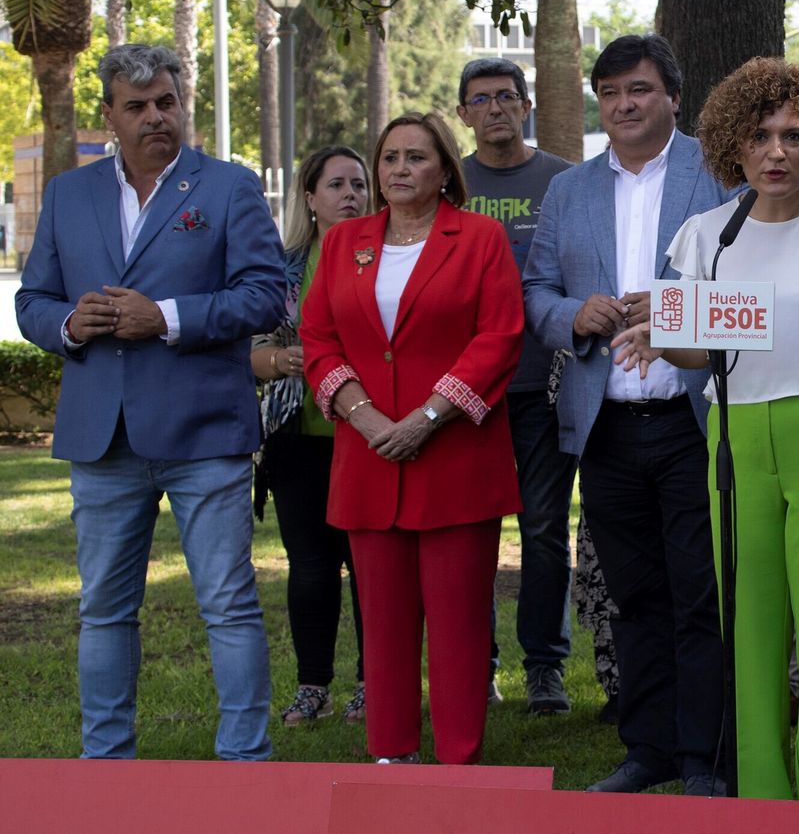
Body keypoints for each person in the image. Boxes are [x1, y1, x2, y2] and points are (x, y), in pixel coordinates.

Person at [612, 57, 799, 802]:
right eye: (760, 136)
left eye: (793, 135)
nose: (776, 151)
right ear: (731, 146)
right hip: (736, 439)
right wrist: (658, 336)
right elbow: (703, 346)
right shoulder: (709, 235)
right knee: (747, 636)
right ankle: (764, 805)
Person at [16, 43, 285, 760]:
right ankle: (104, 765)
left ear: (181, 104)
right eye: (136, 107)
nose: (154, 118)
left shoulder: (228, 187)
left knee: (227, 605)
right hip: (102, 438)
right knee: (103, 610)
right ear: (109, 116)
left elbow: (265, 294)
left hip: (204, 433)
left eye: (165, 102)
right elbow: (32, 300)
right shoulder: (70, 194)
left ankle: (244, 763)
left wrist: (165, 317)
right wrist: (70, 324)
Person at [524, 34, 734, 795]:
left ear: (673, 96)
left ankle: (706, 758)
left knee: (700, 593)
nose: (623, 105)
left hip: (694, 419)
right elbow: (535, 293)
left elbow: (750, 287)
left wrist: (671, 309)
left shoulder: (719, 173)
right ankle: (647, 749)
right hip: (606, 422)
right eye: (610, 93)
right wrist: (573, 316)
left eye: (639, 90)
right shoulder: (570, 190)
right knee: (634, 595)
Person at [300, 112, 524, 765]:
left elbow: (500, 335)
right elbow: (318, 338)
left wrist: (426, 417)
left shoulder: (479, 238)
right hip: (369, 459)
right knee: (385, 627)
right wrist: (367, 418)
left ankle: (458, 762)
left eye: (416, 158)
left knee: (457, 628)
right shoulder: (346, 243)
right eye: (390, 158)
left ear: (444, 170)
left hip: (454, 459)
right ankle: (389, 758)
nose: (400, 169)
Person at [455, 56, 578, 714]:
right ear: (463, 114)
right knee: (471, 530)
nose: (495, 108)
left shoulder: (562, 179)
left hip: (544, 384)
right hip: (466, 393)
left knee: (542, 529)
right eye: (481, 99)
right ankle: (478, 663)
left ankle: (545, 669)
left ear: (527, 105)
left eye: (507, 96)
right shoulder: (450, 184)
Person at [251, 145, 371, 726]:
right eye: (337, 185)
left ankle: (375, 682)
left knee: (368, 565)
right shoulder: (282, 267)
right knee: (311, 565)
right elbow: (247, 354)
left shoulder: (387, 256)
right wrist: (283, 360)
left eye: (359, 184)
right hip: (298, 435)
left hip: (371, 434)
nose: (351, 194)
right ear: (309, 198)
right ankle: (312, 686)